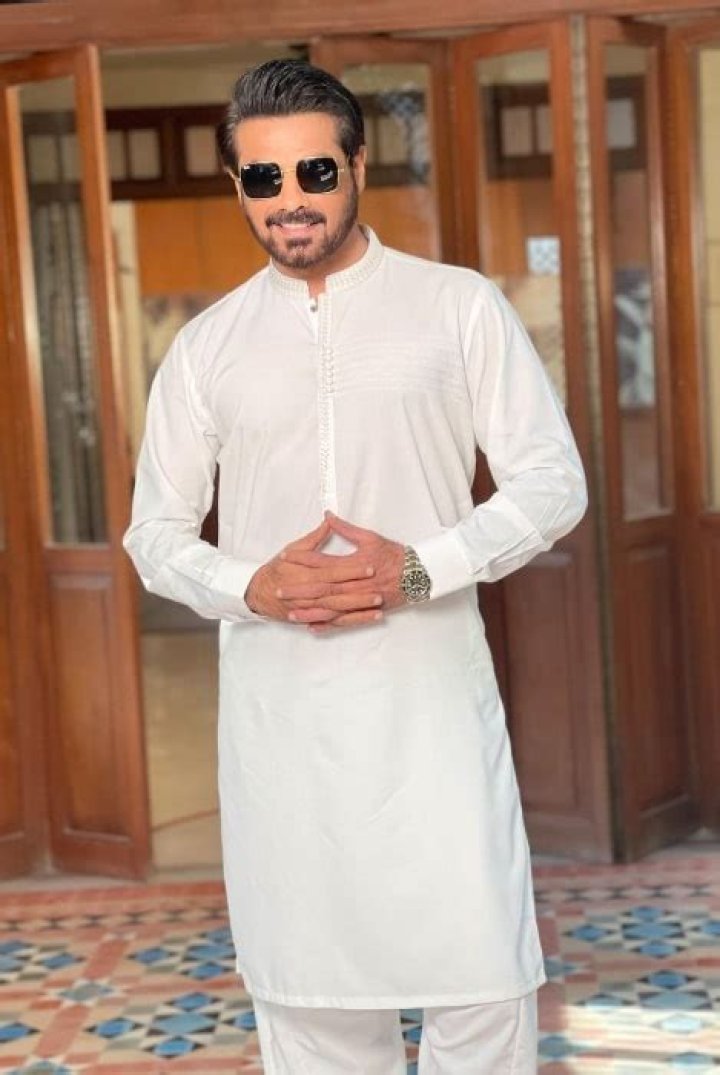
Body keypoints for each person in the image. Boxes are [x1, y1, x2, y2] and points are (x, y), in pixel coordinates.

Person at [124, 58, 587, 1075]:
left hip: (432, 717)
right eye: (264, 178)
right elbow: (152, 533)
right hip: (282, 732)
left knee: (482, 989)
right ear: (239, 185)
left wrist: (417, 570)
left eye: (315, 172)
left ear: (358, 167)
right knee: (313, 1009)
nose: (290, 200)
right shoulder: (205, 347)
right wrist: (250, 584)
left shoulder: (457, 307)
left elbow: (554, 482)